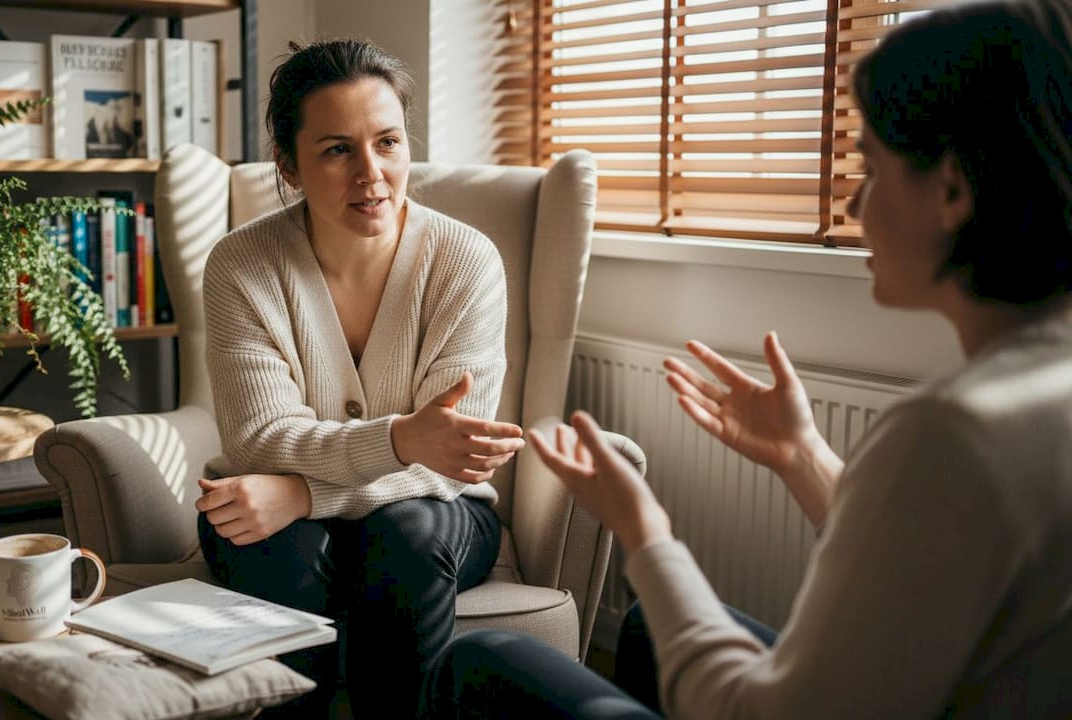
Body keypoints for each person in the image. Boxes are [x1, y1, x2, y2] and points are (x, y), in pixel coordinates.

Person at [424, 0, 1072, 717]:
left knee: (487, 661)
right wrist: (802, 456)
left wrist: (645, 530)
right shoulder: (1040, 392)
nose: (854, 204)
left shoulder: (951, 431)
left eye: (873, 168)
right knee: (646, 631)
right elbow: (928, 571)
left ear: (950, 190)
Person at [195, 38, 524, 719]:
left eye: (388, 142)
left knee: (406, 535)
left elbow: (448, 464)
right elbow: (260, 438)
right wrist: (403, 438)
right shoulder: (241, 264)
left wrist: (305, 491)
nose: (371, 173)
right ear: (288, 165)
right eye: (337, 149)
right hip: (265, 506)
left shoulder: (466, 261)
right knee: (267, 542)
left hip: (436, 511)